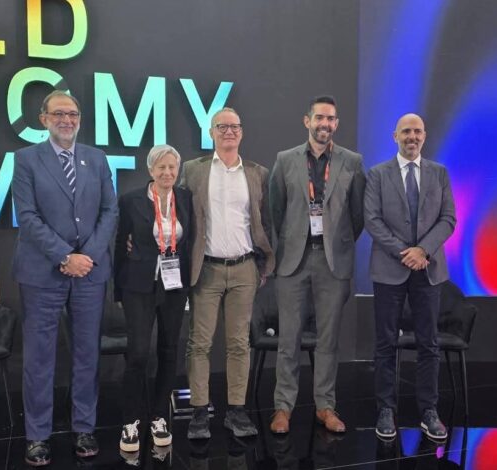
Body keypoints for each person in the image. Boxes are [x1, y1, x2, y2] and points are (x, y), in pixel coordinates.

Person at [11, 91, 118, 466]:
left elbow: (109, 211)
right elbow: (27, 216)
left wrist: (87, 257)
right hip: (42, 273)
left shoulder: (97, 158)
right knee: (39, 358)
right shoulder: (26, 159)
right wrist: (64, 256)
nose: (66, 120)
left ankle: (84, 427)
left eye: (72, 114)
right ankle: (37, 436)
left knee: (87, 355)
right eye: (58, 113)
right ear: (43, 118)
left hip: (90, 272)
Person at [269, 95, 365, 434]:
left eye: (330, 119)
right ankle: (283, 407)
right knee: (289, 339)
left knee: (328, 339)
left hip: (332, 262)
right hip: (293, 261)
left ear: (336, 124)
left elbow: (357, 215)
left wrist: (337, 244)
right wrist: (294, 239)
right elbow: (276, 210)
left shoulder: (352, 162)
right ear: (307, 120)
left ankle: (325, 405)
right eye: (319, 118)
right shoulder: (285, 160)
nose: (325, 124)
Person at [182, 107, 275, 439]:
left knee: (238, 343)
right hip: (205, 269)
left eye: (235, 126)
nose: (229, 132)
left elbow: (266, 221)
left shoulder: (257, 173)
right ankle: (198, 413)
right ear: (211, 132)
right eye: (222, 127)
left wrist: (263, 264)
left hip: (244, 269)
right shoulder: (193, 170)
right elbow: (178, 215)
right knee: (199, 343)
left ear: (242, 132)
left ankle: (236, 411)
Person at [365, 113, 456, 441]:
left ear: (424, 135)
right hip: (389, 269)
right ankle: (385, 409)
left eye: (417, 131)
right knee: (385, 343)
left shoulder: (439, 173)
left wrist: (423, 251)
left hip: (428, 270)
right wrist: (405, 252)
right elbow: (372, 220)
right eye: (406, 131)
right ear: (395, 136)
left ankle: (429, 410)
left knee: (429, 343)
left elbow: (448, 218)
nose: (412, 137)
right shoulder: (377, 174)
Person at [114, 145, 194, 453]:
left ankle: (160, 416)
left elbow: (190, 240)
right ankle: (131, 420)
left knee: (169, 350)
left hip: (174, 285)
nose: (167, 173)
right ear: (150, 170)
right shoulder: (131, 200)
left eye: (172, 167)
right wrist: (118, 290)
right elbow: (120, 244)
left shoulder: (185, 198)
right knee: (137, 353)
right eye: (161, 167)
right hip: (138, 284)